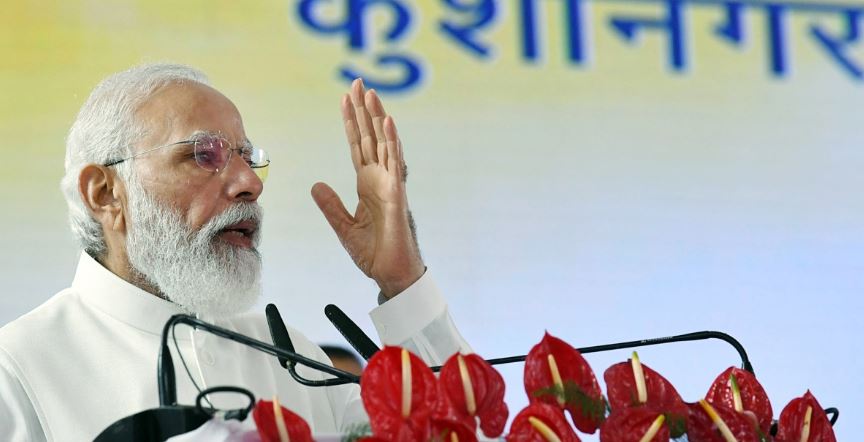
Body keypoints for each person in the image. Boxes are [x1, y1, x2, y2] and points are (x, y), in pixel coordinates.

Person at [0, 64, 469, 440]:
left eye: (247, 157)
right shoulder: (17, 370)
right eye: (203, 155)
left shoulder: (293, 361)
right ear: (105, 194)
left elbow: (459, 432)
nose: (250, 184)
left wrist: (403, 281)